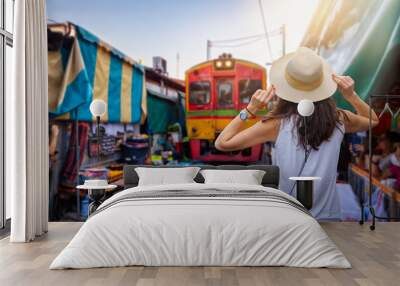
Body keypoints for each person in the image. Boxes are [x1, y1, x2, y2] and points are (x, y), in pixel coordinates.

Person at [215, 47, 379, 220]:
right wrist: (351, 95)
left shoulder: (276, 124)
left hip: (290, 217)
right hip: (330, 216)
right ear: (322, 85)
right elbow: (372, 120)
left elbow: (222, 143)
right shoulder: (339, 119)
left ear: (284, 88)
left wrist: (250, 109)